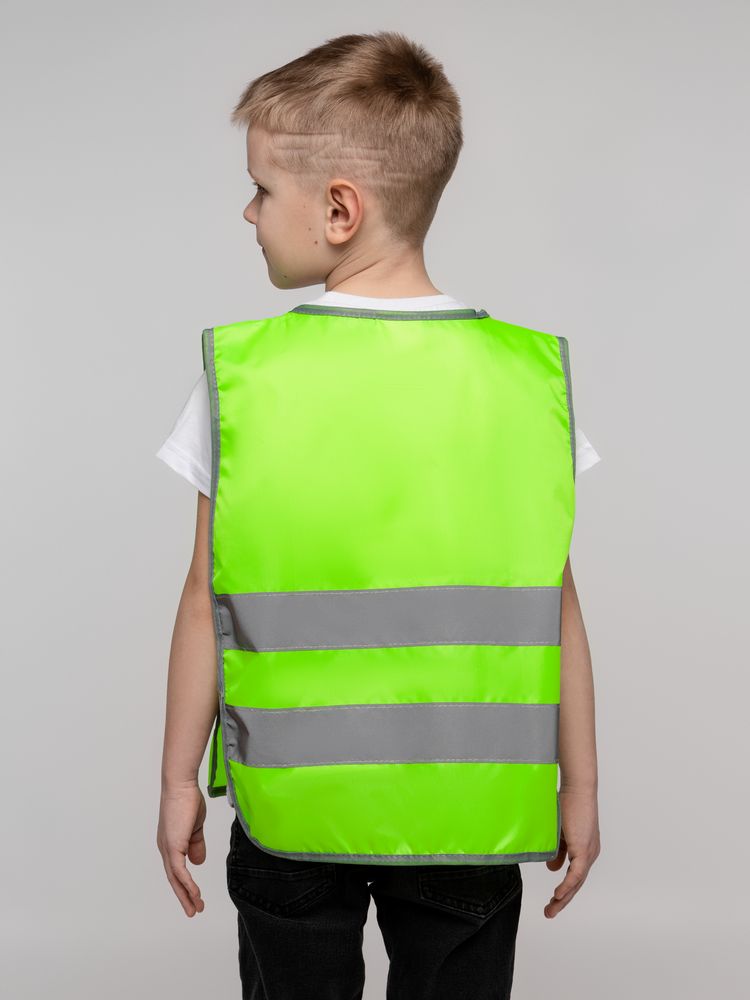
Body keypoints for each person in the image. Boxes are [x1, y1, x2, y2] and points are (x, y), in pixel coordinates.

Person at [155, 30, 601, 1000]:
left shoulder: (243, 380)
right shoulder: (529, 386)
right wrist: (581, 786)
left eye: (261, 189)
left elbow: (201, 598)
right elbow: (557, 608)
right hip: (469, 815)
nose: (248, 211)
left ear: (339, 209)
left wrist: (178, 779)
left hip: (291, 813)